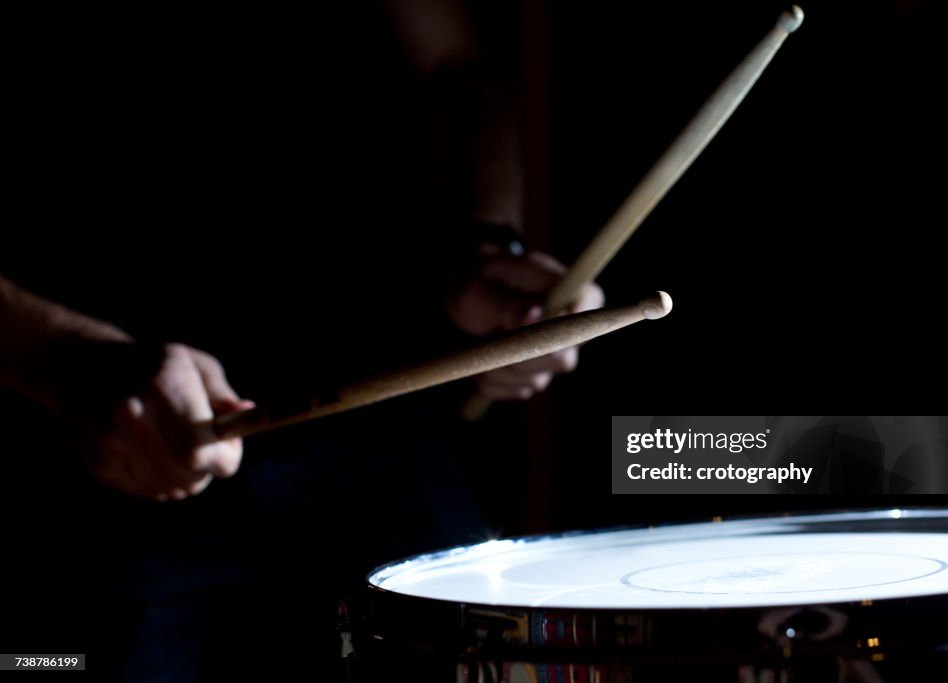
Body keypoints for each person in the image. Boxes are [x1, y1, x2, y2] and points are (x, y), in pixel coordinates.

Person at [1, 3, 601, 681]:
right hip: (93, 455)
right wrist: (59, 357)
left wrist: (488, 250)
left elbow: (452, 66)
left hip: (381, 421)